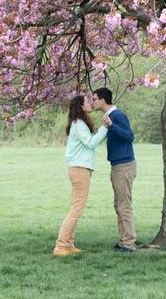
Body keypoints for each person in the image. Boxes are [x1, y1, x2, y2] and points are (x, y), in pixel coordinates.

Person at [53, 94, 108, 257]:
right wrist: (104, 127)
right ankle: (61, 245)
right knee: (77, 208)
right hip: (79, 169)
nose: (91, 103)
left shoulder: (79, 123)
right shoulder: (79, 124)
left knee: (76, 206)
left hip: (79, 169)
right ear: (81, 107)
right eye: (87, 102)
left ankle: (68, 244)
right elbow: (91, 143)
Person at [90, 87, 137, 252]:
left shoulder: (117, 116)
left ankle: (129, 243)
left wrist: (111, 125)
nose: (92, 102)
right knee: (119, 205)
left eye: (94, 99)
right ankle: (124, 240)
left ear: (103, 100)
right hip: (117, 166)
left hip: (124, 166)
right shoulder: (110, 116)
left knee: (123, 205)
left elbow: (130, 137)